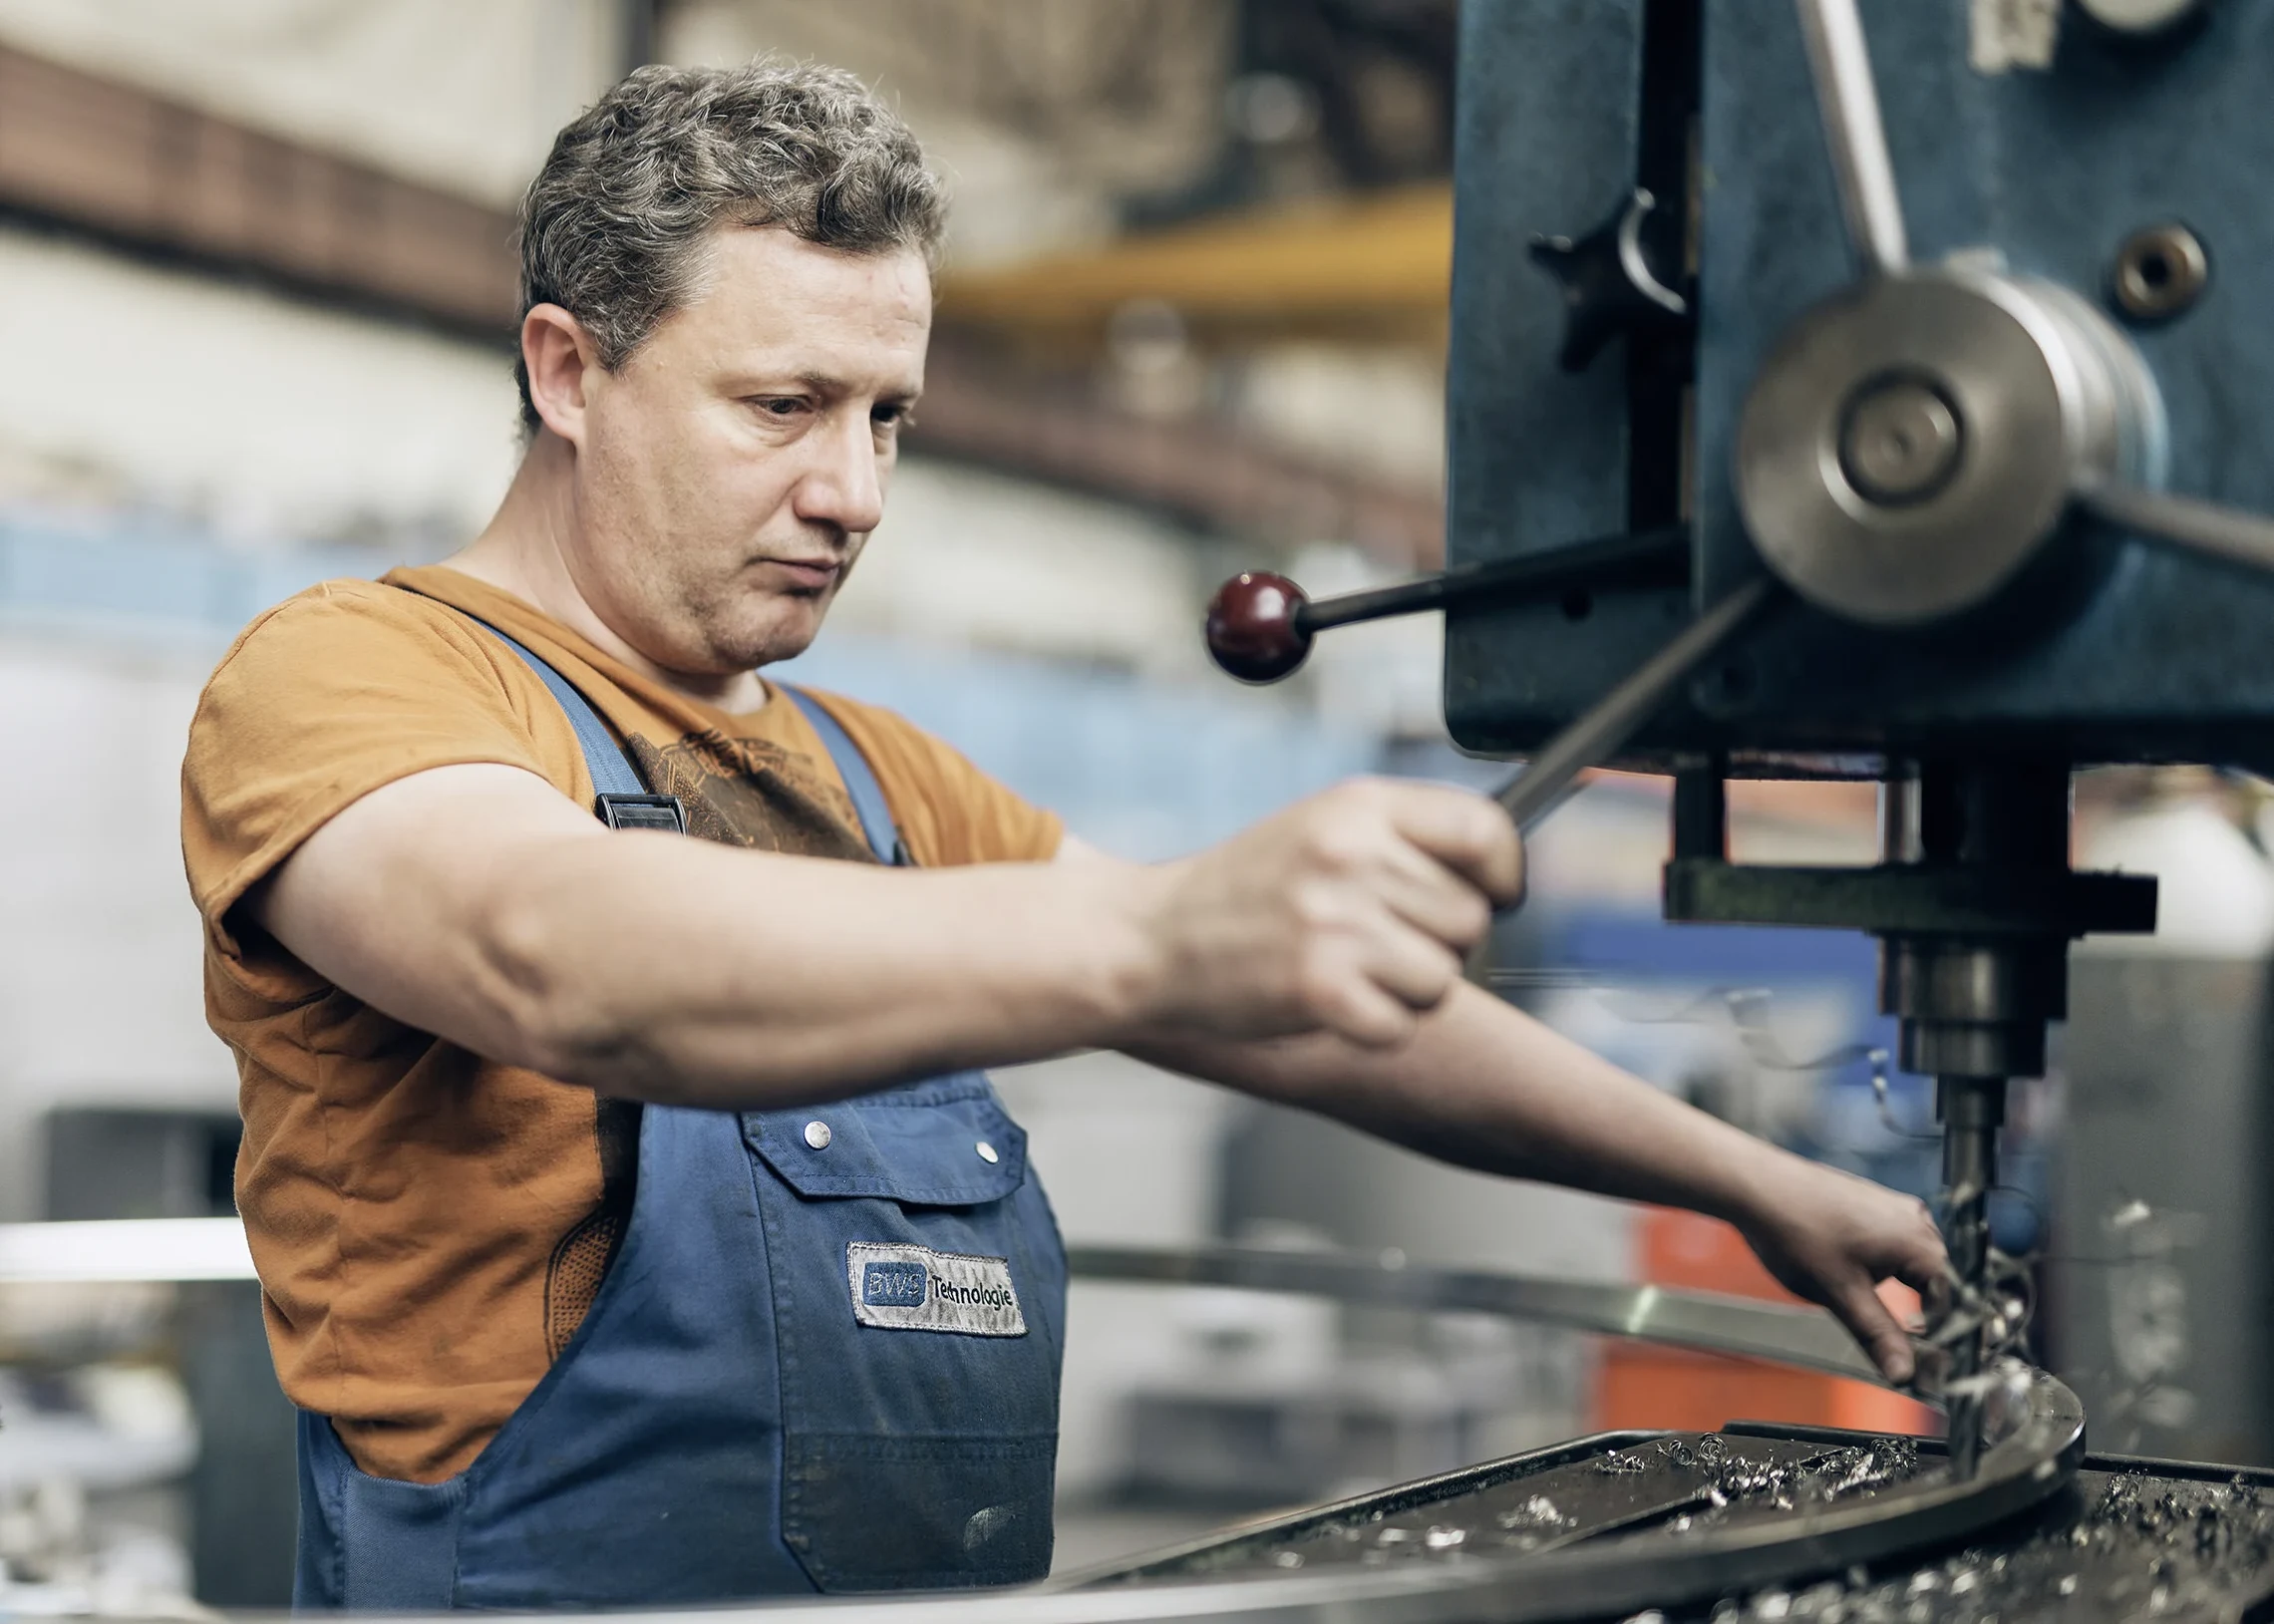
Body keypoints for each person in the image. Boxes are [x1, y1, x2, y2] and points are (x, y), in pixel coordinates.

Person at [178, 58, 1945, 1612]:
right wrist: (1161, 937)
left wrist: (1749, 1180)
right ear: (569, 373)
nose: (852, 492)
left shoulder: (880, 781)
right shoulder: (357, 677)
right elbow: (555, 956)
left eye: (890, 421)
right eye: (781, 407)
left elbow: (1295, 1007)